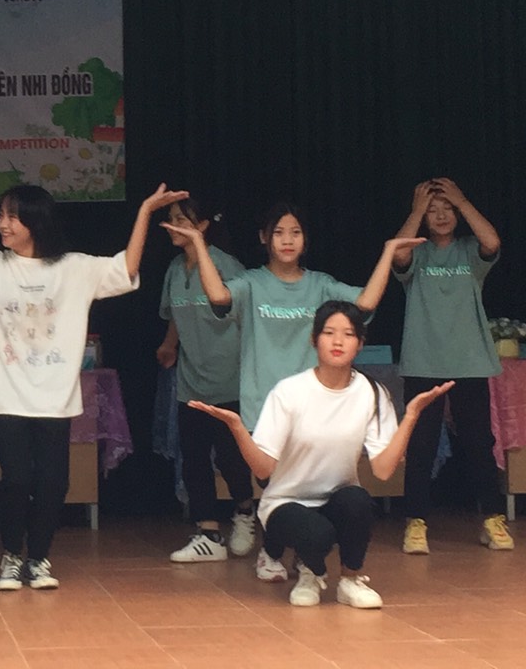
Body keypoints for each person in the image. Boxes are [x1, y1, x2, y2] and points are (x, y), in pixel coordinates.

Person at [0, 168, 187, 591]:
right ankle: (12, 556)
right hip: (2, 397)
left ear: (36, 221)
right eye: (1, 216)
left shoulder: (73, 267)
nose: (2, 224)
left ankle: (39, 558)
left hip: (54, 399)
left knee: (54, 483)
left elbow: (127, 266)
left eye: (12, 216)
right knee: (15, 480)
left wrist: (144, 212)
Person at [163, 203, 422, 581]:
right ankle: (283, 549)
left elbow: (365, 303)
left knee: (310, 488)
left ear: (305, 240)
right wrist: (199, 244)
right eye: (279, 232)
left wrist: (387, 253)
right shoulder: (251, 283)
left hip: (313, 407)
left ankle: (295, 554)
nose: (287, 240)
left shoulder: (320, 284)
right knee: (274, 486)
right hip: (263, 406)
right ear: (264, 238)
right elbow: (218, 297)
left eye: (295, 232)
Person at [189, 301, 453, 608]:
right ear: (314, 340)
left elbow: (383, 470)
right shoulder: (290, 391)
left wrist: (412, 415)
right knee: (318, 533)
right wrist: (237, 427)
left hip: (335, 499)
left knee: (358, 502)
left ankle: (350, 581)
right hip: (285, 503)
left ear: (360, 344)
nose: (338, 341)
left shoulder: (372, 392)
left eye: (348, 334)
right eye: (329, 333)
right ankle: (310, 574)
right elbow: (263, 469)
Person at [391, 178, 513, 553]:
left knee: (479, 444)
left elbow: (492, 242)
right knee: (421, 445)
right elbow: (398, 253)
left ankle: (492, 518)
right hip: (424, 360)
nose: (441, 215)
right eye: (433, 210)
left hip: (470, 361)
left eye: (447, 209)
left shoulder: (469, 252)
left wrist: (462, 200)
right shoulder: (418, 254)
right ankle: (415, 521)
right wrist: (416, 211)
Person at [155, 196, 256, 563]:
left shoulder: (227, 266)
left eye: (181, 219)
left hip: (230, 380)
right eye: (170, 218)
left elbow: (247, 317)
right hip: (190, 380)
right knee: (194, 458)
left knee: (231, 458)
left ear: (202, 226)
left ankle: (244, 510)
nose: (172, 225)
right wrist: (169, 345)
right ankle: (208, 533)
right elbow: (174, 313)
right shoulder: (173, 269)